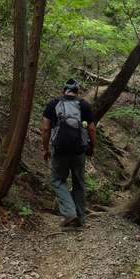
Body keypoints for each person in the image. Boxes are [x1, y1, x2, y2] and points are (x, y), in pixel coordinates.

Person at [42, 78, 96, 227]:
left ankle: (69, 212)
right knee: (79, 182)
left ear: (63, 90)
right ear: (77, 92)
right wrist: (93, 147)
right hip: (79, 150)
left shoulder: (53, 104)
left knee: (58, 180)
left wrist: (45, 149)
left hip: (59, 150)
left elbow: (46, 129)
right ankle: (80, 218)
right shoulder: (83, 105)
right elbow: (91, 128)